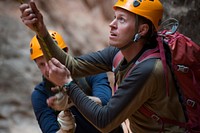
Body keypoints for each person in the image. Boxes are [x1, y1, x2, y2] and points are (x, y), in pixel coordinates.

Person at [19, 0, 186, 132]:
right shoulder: (118, 54)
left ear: (141, 30)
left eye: (121, 19)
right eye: (114, 17)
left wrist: (67, 85)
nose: (112, 24)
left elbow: (104, 121)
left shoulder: (148, 69)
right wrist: (41, 31)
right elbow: (72, 65)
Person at [29, 30, 122, 133]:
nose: (49, 68)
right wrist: (64, 130)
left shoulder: (90, 70)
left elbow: (106, 102)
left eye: (51, 59)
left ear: (64, 54)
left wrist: (72, 99)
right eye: (42, 64)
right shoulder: (40, 95)